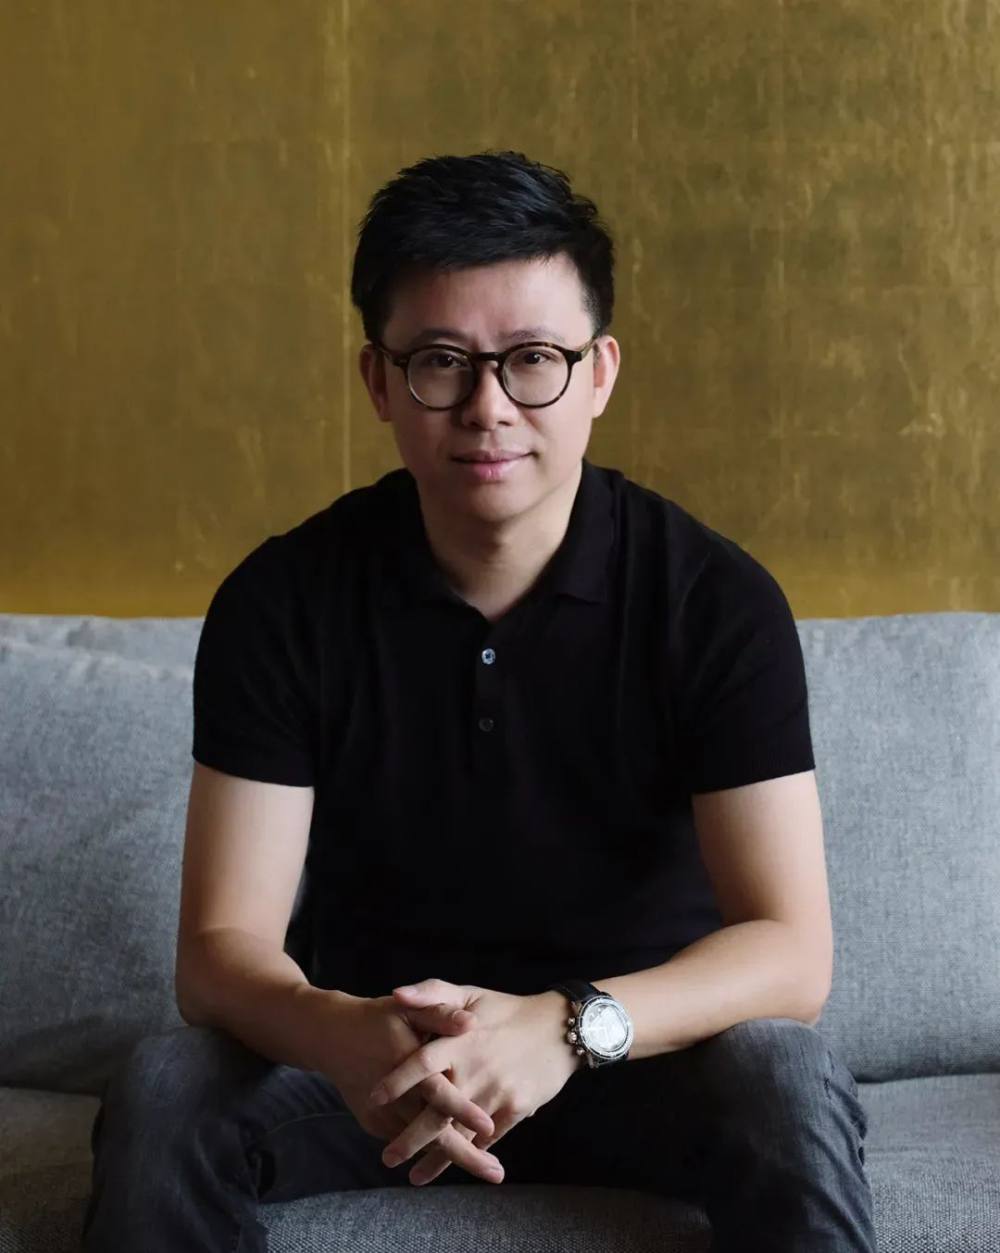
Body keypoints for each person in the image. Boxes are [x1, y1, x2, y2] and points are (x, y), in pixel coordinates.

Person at [81, 149, 877, 1252]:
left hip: (632, 1052)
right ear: (378, 380)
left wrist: (568, 1026)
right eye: (441, 363)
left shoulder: (714, 600)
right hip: (377, 1065)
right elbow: (218, 951)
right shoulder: (283, 600)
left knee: (784, 1070)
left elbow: (792, 954)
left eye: (533, 359)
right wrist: (341, 1031)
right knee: (169, 1080)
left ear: (599, 372)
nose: (488, 406)